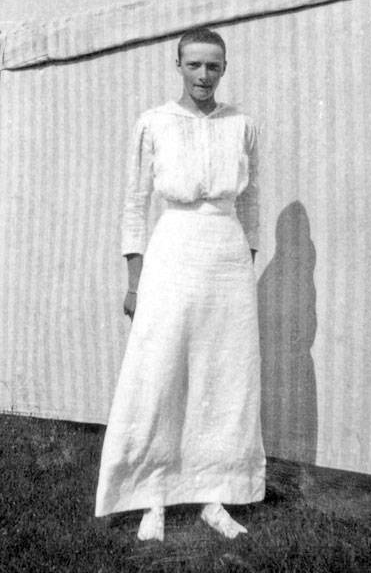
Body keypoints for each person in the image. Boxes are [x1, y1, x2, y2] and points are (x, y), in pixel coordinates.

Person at [95, 27, 266, 542]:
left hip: (227, 260)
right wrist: (134, 280)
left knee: (223, 377)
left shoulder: (242, 125)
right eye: (194, 65)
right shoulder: (153, 122)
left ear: (224, 68)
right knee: (160, 370)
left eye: (213, 66)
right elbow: (134, 204)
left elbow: (251, 203)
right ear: (178, 66)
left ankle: (215, 495)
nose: (203, 75)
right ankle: (152, 496)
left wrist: (244, 266)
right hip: (173, 252)